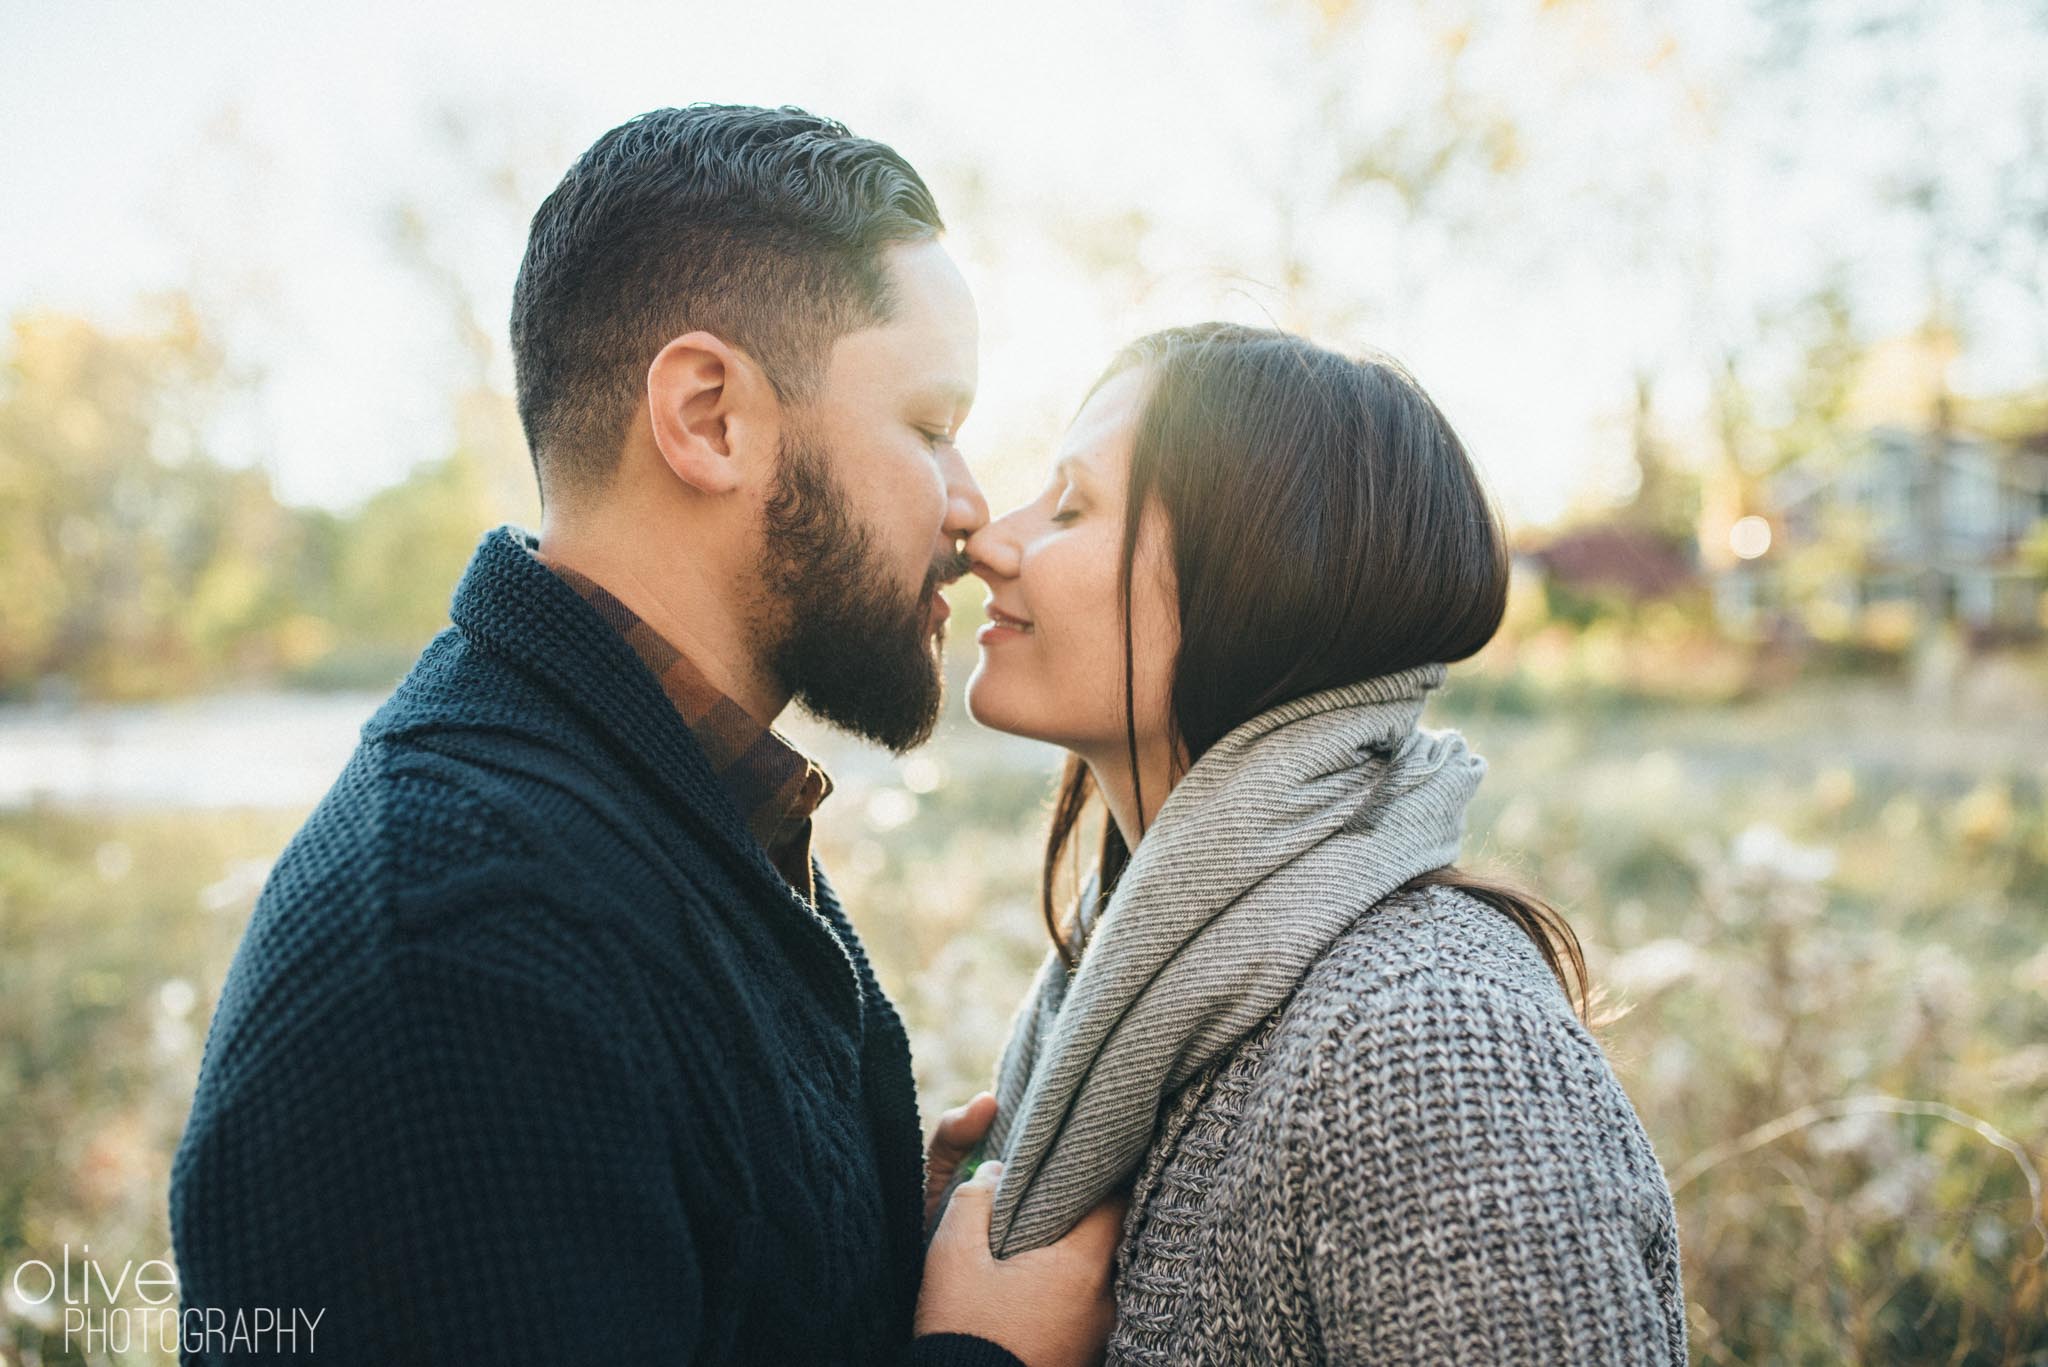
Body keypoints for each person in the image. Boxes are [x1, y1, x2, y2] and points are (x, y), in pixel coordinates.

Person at [169, 104, 1120, 1367]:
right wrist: (983, 1359)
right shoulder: (464, 945)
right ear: (710, 416)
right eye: (931, 426)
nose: (971, 509)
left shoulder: (659, 802)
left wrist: (886, 1263)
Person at [955, 323, 1690, 1364]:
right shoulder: (1125, 986)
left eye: (1070, 505)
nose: (989, 536)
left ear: (1256, 574)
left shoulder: (1425, 1045)